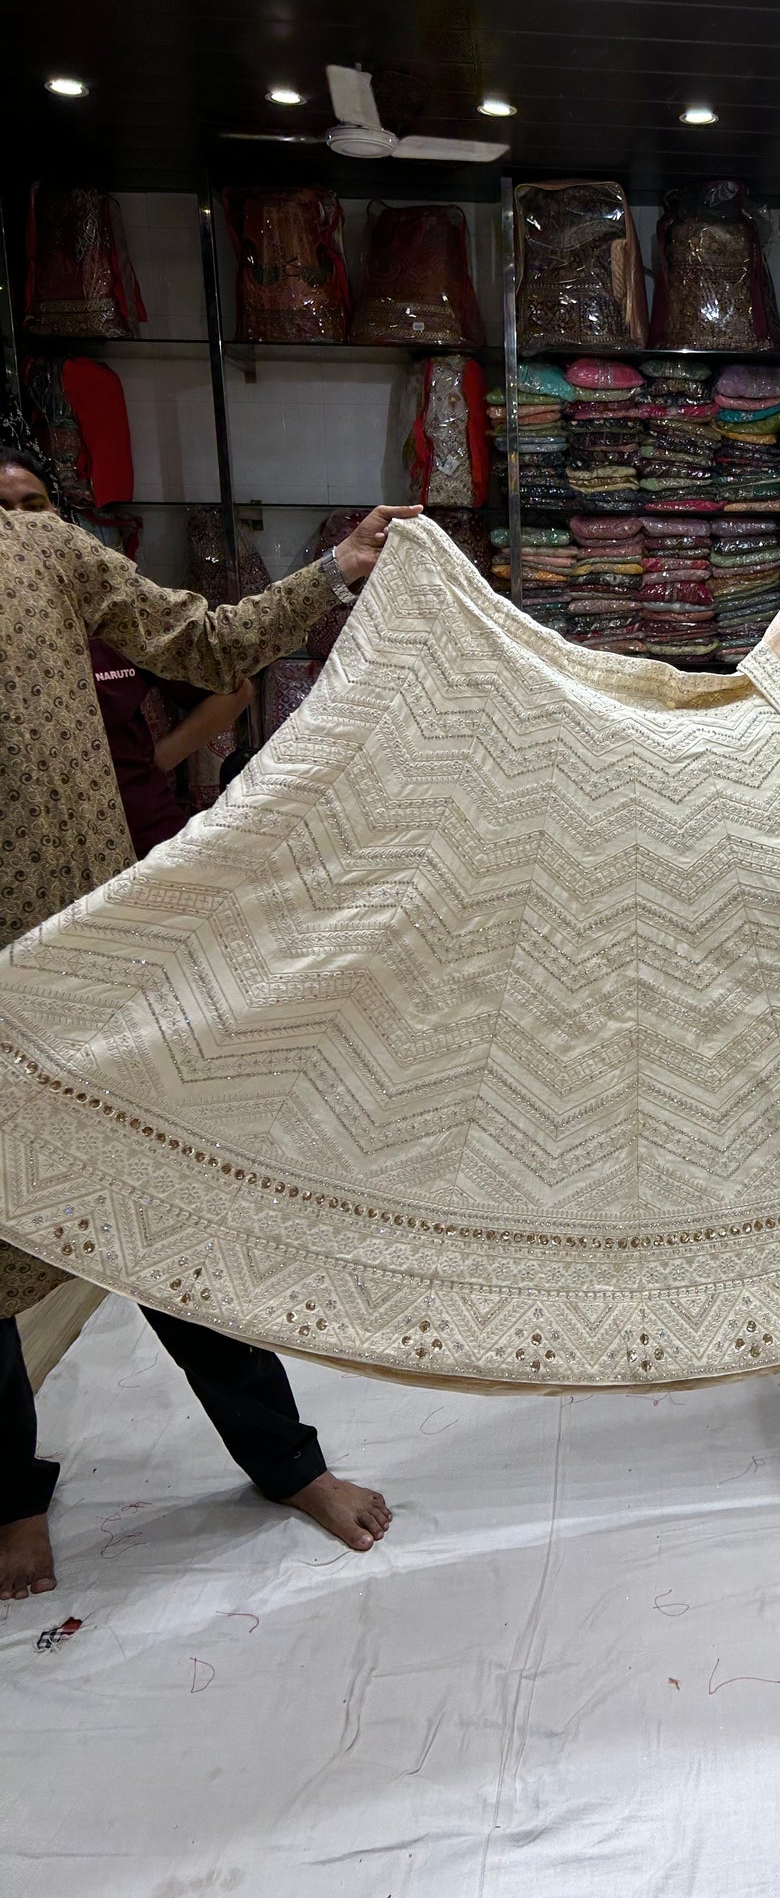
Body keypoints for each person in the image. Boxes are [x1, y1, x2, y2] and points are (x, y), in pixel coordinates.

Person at [0, 466, 423, 1600]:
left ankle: (286, 1465)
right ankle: (8, 1495)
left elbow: (202, 640)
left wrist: (337, 570)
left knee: (166, 1219)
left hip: (87, 967)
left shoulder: (40, 553)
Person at [0, 447, 255, 856]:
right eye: (3, 511)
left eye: (33, 507)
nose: (20, 527)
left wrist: (159, 759)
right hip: (45, 857)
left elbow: (229, 679)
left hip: (147, 835)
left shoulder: (112, 617)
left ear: (58, 518)